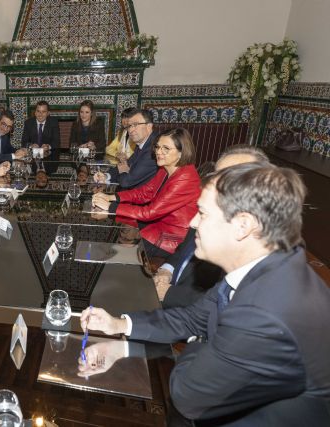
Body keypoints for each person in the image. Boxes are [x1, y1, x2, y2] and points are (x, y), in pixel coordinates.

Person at [81, 163, 330, 426]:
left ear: (243, 225)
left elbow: (187, 394)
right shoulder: (264, 267)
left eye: (203, 213)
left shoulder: (266, 314)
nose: (192, 221)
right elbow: (192, 318)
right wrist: (120, 324)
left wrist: (202, 338)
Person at [155, 145, 270, 307]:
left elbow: (220, 302)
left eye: (232, 178)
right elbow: (183, 250)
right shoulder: (210, 209)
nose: (219, 184)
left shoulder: (251, 241)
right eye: (219, 175)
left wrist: (169, 293)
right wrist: (167, 270)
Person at [93, 127, 201, 257]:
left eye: (166, 148)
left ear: (181, 152)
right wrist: (112, 197)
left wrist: (111, 207)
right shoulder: (166, 168)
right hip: (157, 225)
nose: (159, 152)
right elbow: (144, 193)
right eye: (157, 147)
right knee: (105, 229)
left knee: (116, 251)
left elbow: (150, 212)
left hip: (171, 238)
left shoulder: (185, 178)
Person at [94, 108, 158, 189]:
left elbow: (126, 182)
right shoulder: (142, 144)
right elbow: (126, 165)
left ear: (149, 126)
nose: (130, 130)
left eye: (135, 125)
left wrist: (124, 171)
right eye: (129, 126)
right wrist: (106, 176)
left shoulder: (154, 148)